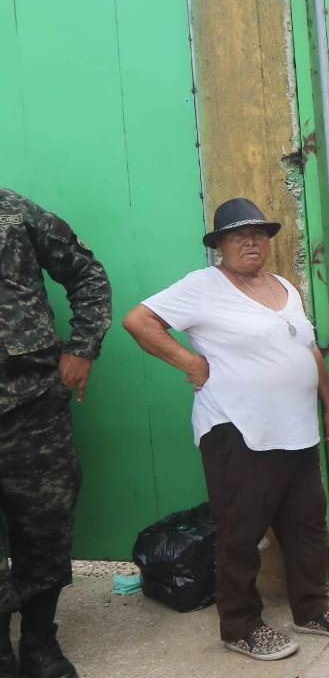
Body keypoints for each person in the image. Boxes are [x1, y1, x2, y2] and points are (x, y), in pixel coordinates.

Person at [124, 198, 329, 662]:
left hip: (297, 431)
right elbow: (138, 321)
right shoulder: (203, 286)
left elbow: (308, 349)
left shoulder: (284, 287)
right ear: (220, 246)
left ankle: (311, 610)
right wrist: (190, 362)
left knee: (306, 527)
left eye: (258, 233)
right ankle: (240, 625)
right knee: (240, 532)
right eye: (238, 235)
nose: (251, 241)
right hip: (237, 430)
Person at [0, 188, 110, 678]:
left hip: (32, 406)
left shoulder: (14, 212)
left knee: (43, 526)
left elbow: (86, 273)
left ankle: (41, 641)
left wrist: (82, 346)